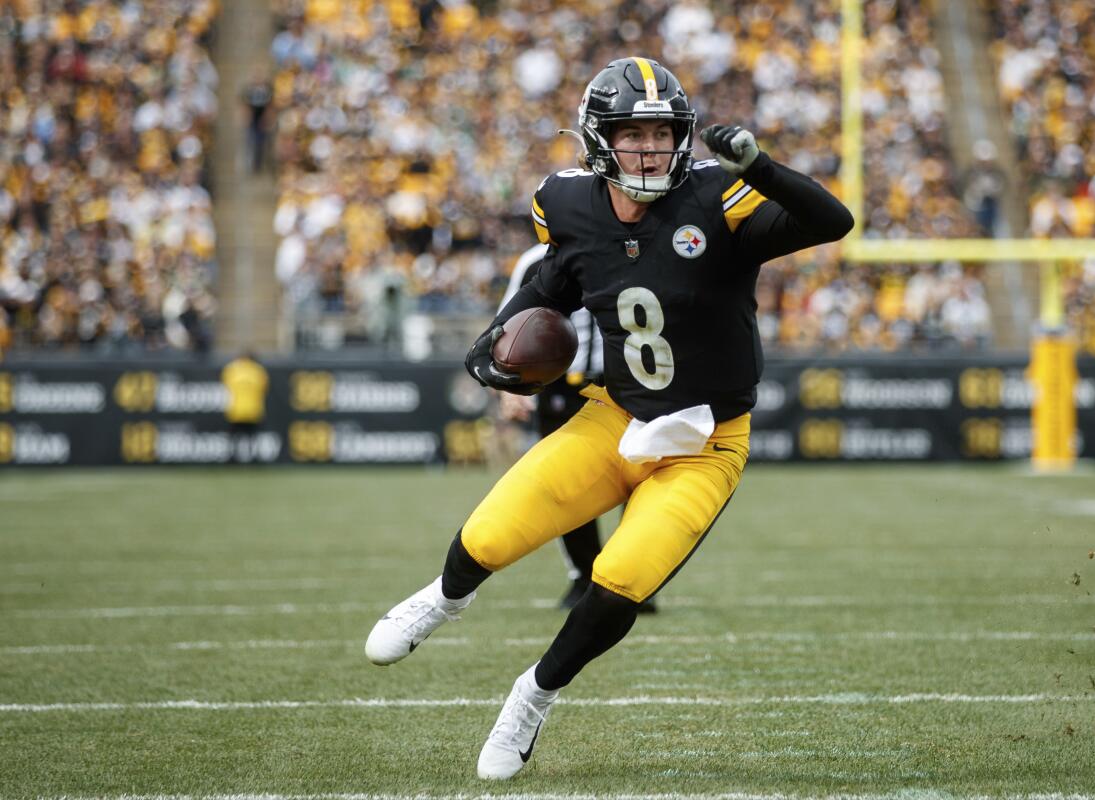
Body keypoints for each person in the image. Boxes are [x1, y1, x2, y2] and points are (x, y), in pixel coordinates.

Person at [364, 57, 853, 780]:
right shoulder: (567, 202)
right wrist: (504, 332)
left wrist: (763, 165)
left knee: (621, 576)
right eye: (635, 134)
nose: (652, 149)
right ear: (600, 140)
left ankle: (532, 696)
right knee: (494, 528)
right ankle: (442, 600)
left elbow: (832, 220)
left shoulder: (719, 198)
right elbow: (556, 276)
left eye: (663, 133)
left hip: (705, 443)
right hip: (614, 416)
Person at [498, 242, 655, 613]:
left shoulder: (638, 246)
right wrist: (509, 385)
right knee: (567, 486)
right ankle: (584, 576)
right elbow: (511, 321)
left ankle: (631, 578)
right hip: (565, 385)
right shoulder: (536, 259)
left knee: (641, 477)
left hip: (631, 382)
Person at [220, 351, 269, 462]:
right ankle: (254, 459)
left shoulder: (232, 369)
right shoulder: (258, 371)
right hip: (253, 409)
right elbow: (264, 388)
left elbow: (226, 384)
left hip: (237, 409)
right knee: (252, 438)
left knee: (234, 437)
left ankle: (232, 459)